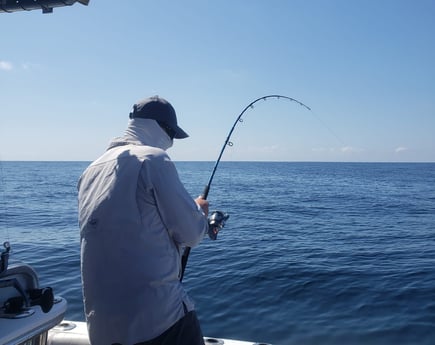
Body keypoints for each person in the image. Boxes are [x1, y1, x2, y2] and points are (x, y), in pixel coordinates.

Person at [78, 96, 209, 345]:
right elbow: (192, 234)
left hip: (103, 329)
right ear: (162, 128)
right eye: (171, 134)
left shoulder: (89, 172)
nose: (170, 143)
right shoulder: (154, 160)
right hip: (158, 322)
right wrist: (198, 211)